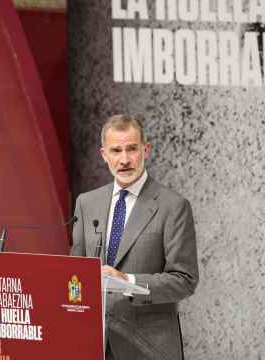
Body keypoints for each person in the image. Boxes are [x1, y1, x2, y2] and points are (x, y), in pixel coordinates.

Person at [71, 114, 199, 360]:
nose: (125, 160)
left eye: (132, 149)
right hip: (94, 343)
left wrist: (127, 280)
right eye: (116, 150)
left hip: (148, 347)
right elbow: (75, 273)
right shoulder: (86, 203)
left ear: (146, 150)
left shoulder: (173, 206)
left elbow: (184, 280)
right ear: (103, 154)